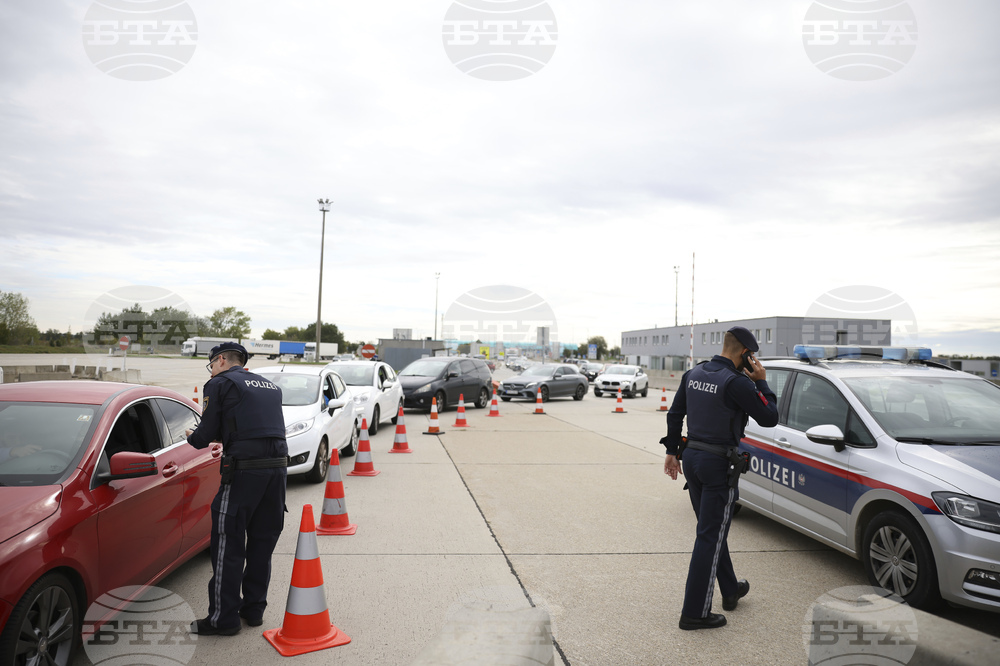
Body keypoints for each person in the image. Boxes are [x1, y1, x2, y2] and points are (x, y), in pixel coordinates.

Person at [662, 326, 779, 630]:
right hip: (718, 465)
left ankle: (730, 590)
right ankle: (694, 613)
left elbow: (675, 415)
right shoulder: (737, 382)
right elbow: (770, 418)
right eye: (751, 357)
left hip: (693, 460)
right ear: (746, 354)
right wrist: (762, 383)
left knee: (711, 529)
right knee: (709, 536)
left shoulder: (694, 374)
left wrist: (672, 452)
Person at [185, 342, 288, 636]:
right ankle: (253, 610)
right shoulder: (270, 386)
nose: (212, 370)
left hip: (243, 473)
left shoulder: (218, 383)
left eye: (211, 364)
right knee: (261, 544)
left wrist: (192, 436)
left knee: (227, 545)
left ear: (220, 360)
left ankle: (223, 619)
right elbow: (250, 425)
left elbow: (205, 435)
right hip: (277, 472)